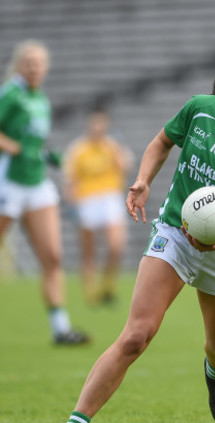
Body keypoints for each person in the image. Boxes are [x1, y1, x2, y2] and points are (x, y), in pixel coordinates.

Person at [45, 40, 215, 423]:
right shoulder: (201, 108)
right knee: (136, 335)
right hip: (175, 233)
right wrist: (143, 181)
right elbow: (162, 142)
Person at [0, 40, 89, 345]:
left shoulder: (40, 99)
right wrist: (10, 146)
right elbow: (10, 139)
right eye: (30, 63)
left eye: (39, 64)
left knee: (52, 256)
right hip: (8, 182)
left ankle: (60, 329)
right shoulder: (10, 94)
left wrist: (47, 154)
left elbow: (32, 140)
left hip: (36, 183)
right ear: (19, 65)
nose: (35, 68)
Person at [63, 109, 133, 306]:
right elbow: (71, 179)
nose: (97, 128)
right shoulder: (78, 149)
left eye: (101, 123)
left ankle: (108, 285)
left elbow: (125, 166)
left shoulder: (112, 146)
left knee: (115, 245)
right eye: (94, 123)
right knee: (89, 249)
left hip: (110, 197)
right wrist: (73, 204)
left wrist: (118, 150)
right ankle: (90, 292)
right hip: (87, 199)